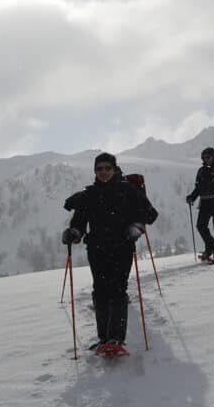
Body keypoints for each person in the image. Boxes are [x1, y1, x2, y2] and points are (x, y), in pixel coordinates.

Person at [61, 152, 154, 355]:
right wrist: (73, 233)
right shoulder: (89, 195)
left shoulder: (128, 190)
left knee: (118, 289)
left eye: (107, 168)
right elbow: (79, 223)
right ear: (95, 171)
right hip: (96, 249)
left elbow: (149, 213)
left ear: (114, 169)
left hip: (122, 247)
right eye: (99, 169)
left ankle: (115, 339)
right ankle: (104, 339)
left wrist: (137, 228)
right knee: (100, 291)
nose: (103, 172)